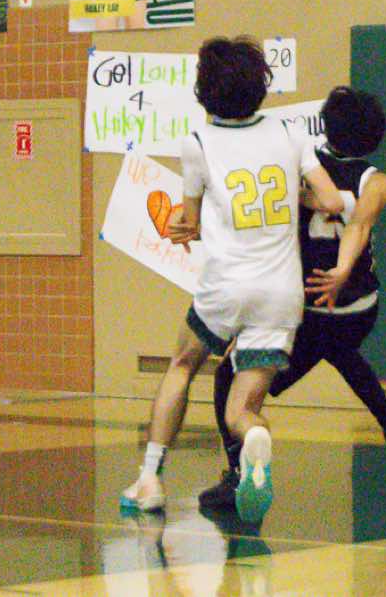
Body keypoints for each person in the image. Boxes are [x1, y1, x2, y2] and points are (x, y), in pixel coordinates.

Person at [121, 37, 349, 524]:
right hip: (280, 294)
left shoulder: (198, 144)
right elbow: (331, 202)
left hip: (226, 287)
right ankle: (255, 434)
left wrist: (186, 224)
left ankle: (150, 479)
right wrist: (296, 196)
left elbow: (189, 222)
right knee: (239, 412)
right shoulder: (290, 134)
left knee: (182, 364)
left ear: (204, 91)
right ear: (260, 85)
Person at [200, 88, 386, 510]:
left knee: (230, 375)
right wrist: (344, 270)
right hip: (360, 308)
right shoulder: (378, 181)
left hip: (307, 309)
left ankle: (238, 474)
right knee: (339, 349)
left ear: (326, 125)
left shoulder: (300, 166)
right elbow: (359, 224)